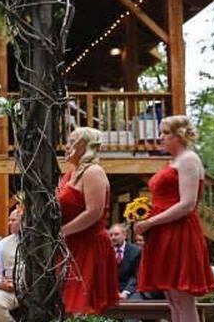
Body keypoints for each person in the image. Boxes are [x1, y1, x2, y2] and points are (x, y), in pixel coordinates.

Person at [135, 115, 214, 322]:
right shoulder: (174, 161)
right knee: (172, 298)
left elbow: (187, 204)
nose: (160, 137)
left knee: (182, 297)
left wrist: (150, 222)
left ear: (180, 135)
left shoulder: (188, 159)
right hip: (163, 232)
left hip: (179, 231)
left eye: (165, 133)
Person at [58, 127, 119, 315]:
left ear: (84, 145)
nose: (66, 146)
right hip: (69, 246)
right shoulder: (69, 175)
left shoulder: (93, 172)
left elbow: (94, 212)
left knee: (82, 306)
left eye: (72, 141)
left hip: (89, 246)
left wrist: (62, 232)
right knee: (65, 306)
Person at [0, 207, 23, 322]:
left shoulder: (39, 242)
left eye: (13, 220)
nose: (9, 223)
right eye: (9, 220)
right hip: (11, 290)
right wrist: (0, 283)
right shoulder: (2, 244)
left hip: (35, 290)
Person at [107, 223, 141, 300]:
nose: (113, 237)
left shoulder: (136, 251)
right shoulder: (105, 252)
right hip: (110, 290)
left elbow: (136, 276)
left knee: (135, 302)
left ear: (124, 235)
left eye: (116, 234)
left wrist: (126, 292)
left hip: (131, 289)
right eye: (111, 235)